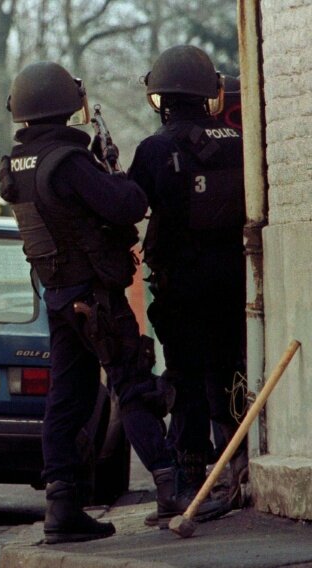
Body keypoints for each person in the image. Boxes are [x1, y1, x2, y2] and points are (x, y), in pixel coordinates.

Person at [0, 61, 229, 542]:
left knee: (68, 398)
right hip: (94, 296)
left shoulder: (19, 162)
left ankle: (62, 507)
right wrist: (112, 171)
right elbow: (129, 205)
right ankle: (170, 487)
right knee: (133, 385)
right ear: (65, 104)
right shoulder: (68, 160)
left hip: (59, 295)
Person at [128, 46, 248, 513]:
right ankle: (238, 469)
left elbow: (129, 207)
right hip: (235, 280)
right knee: (229, 372)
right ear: (207, 93)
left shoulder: (156, 149)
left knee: (186, 378)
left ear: (162, 97)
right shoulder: (240, 140)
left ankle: (192, 478)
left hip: (181, 285)